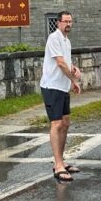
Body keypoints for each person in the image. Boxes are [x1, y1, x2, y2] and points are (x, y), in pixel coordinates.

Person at [40, 11, 82, 182]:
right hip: (52, 87)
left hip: (63, 87)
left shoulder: (67, 41)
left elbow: (66, 62)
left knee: (65, 123)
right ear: (58, 23)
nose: (68, 24)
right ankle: (57, 165)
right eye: (65, 21)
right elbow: (59, 62)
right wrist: (73, 78)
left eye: (71, 21)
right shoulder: (54, 38)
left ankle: (62, 162)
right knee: (56, 124)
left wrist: (74, 70)